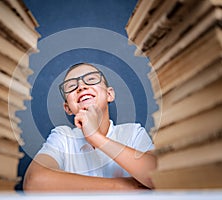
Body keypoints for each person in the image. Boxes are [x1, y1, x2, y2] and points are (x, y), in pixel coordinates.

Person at [23, 63, 156, 191]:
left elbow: (157, 176)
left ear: (109, 94)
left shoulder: (133, 133)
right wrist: (128, 187)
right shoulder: (62, 137)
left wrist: (95, 137)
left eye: (91, 79)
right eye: (71, 86)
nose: (81, 86)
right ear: (67, 108)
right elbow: (34, 182)